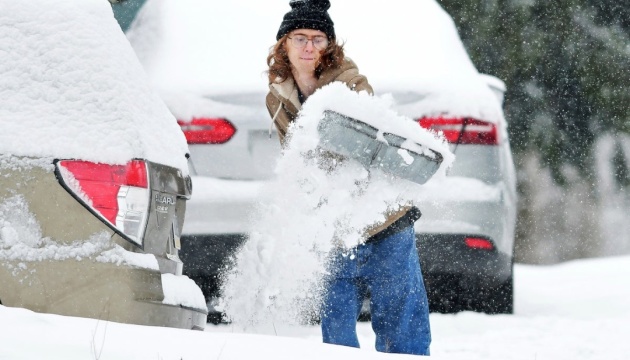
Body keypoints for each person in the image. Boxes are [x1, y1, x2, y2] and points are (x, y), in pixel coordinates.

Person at [265, 0, 431, 355]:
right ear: (284, 44)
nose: (309, 46)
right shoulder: (276, 97)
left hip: (384, 218)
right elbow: (294, 159)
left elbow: (365, 145)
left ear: (330, 45)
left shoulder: (350, 84)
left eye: (318, 39)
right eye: (299, 37)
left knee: (401, 325)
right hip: (334, 226)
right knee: (337, 329)